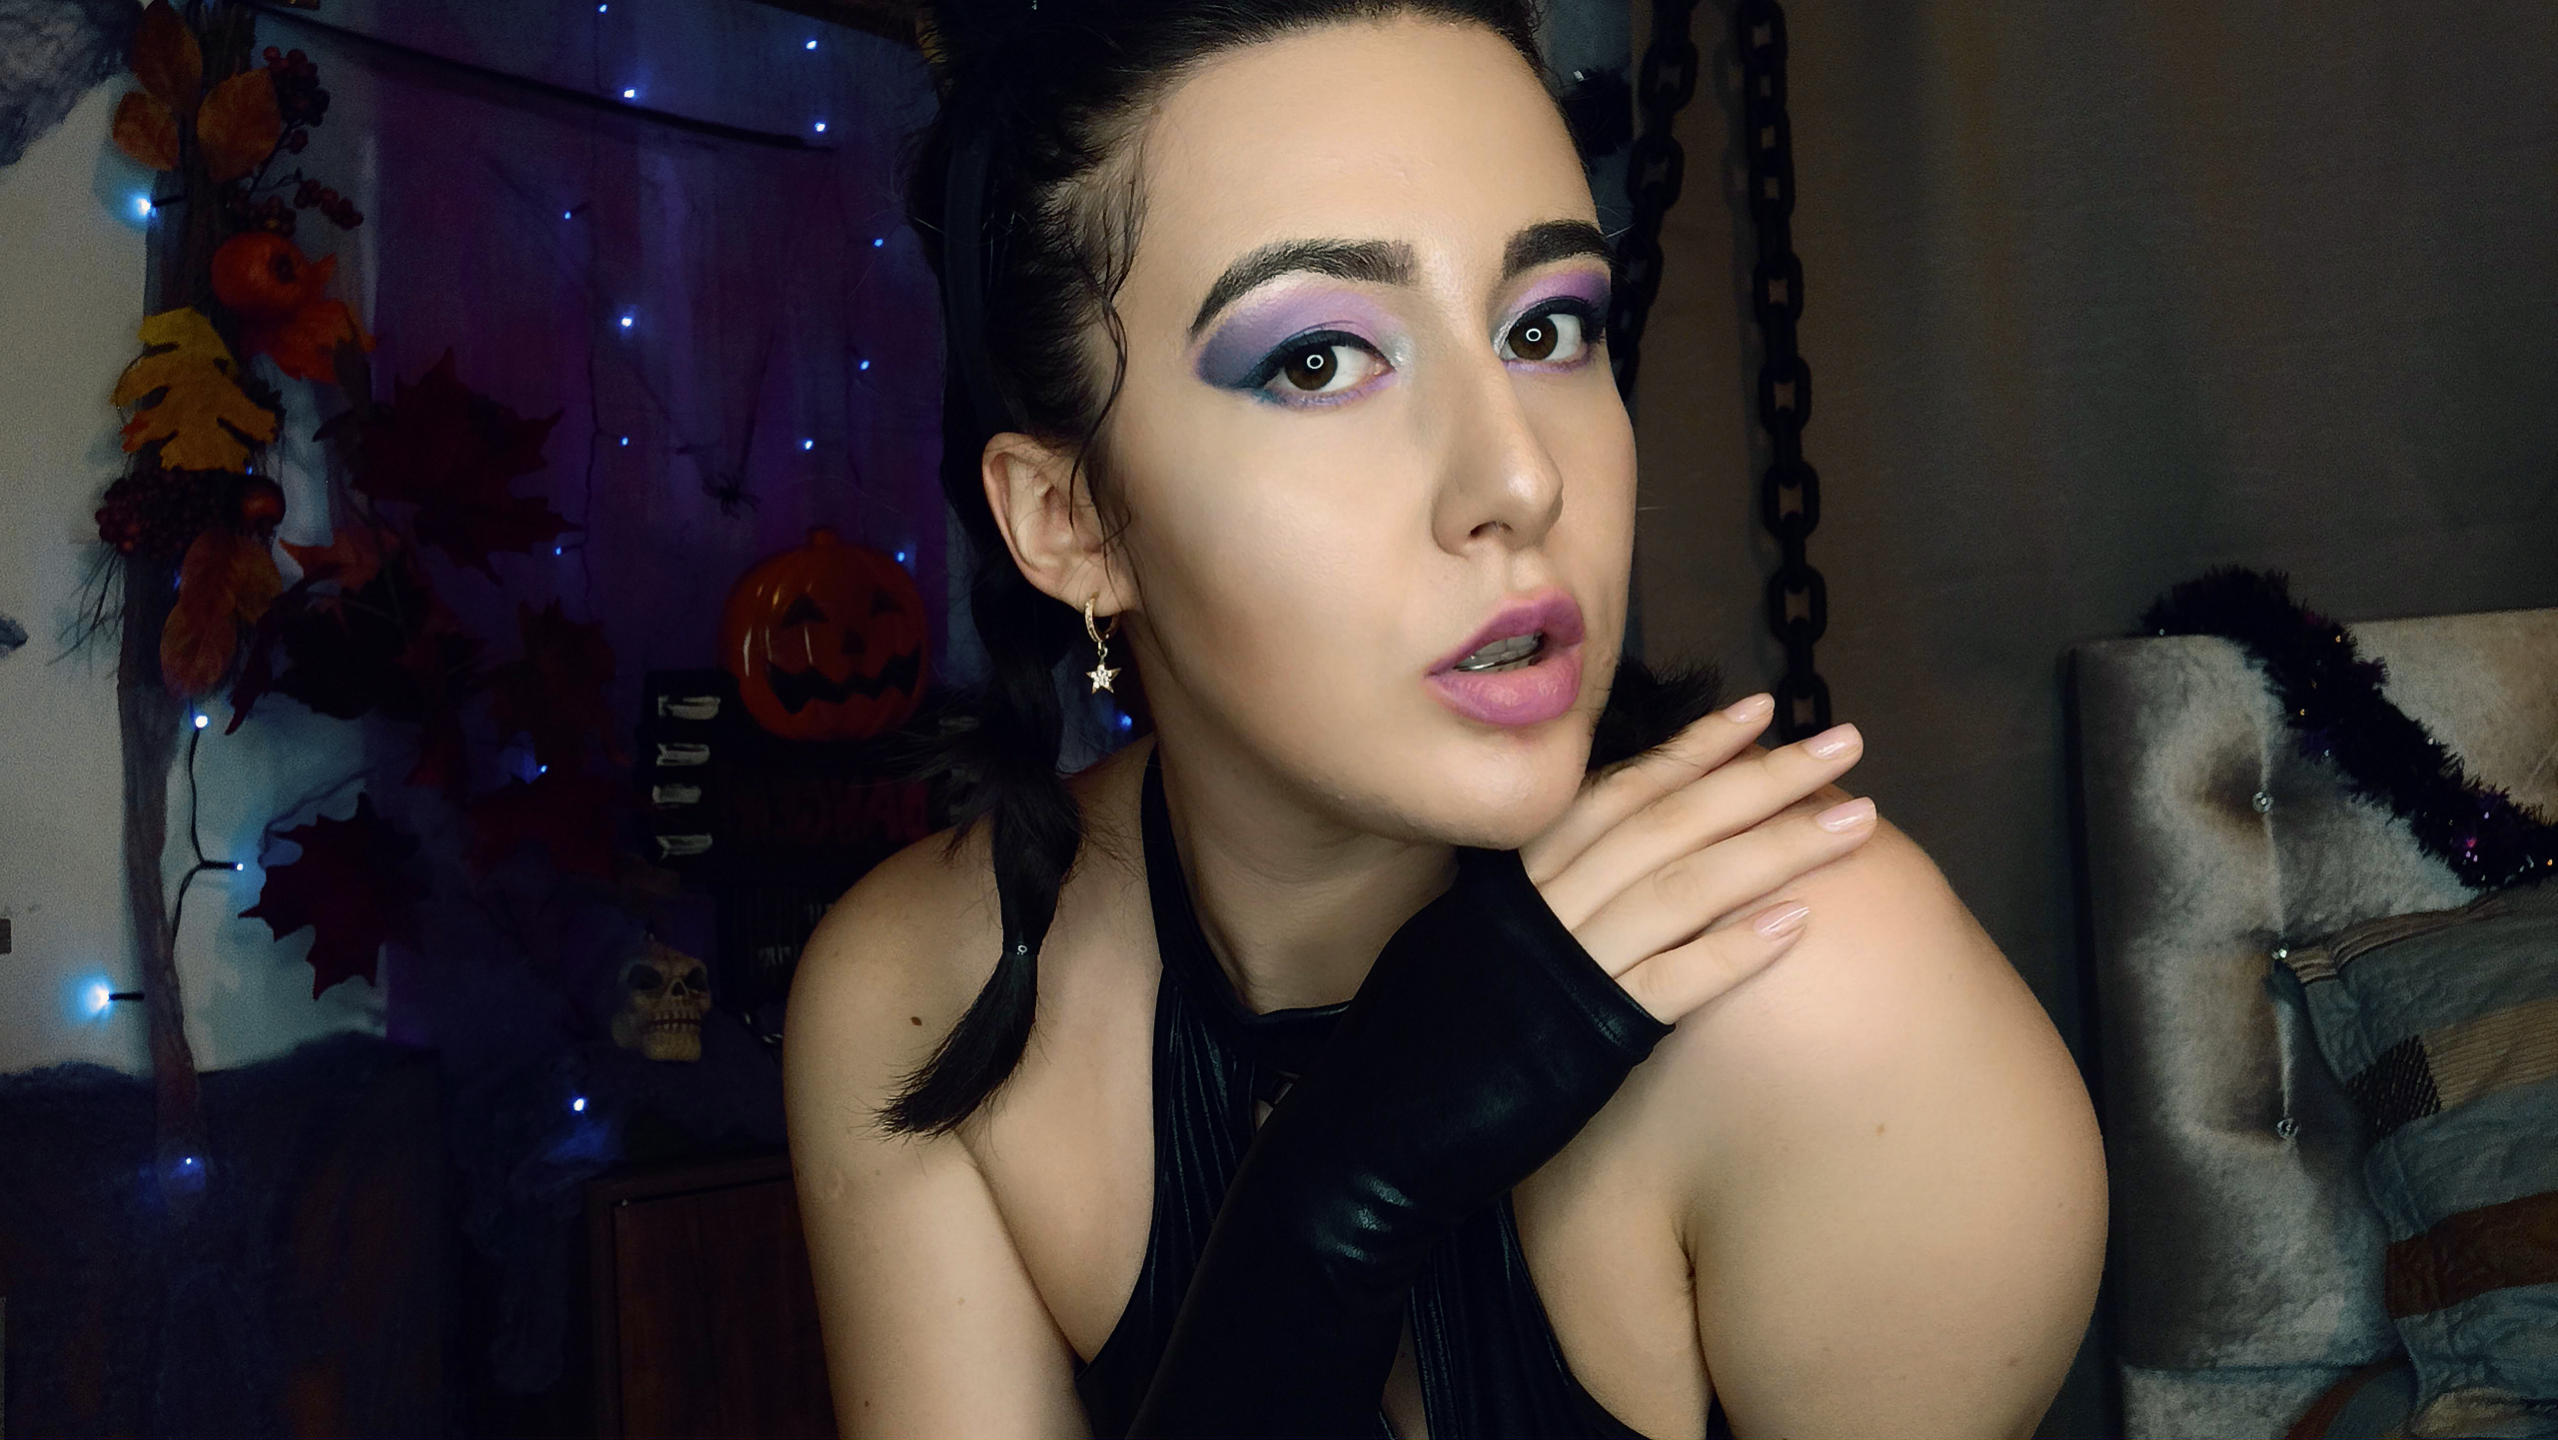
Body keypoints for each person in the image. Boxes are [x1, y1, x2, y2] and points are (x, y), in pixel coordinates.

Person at [782, 1, 2109, 1435]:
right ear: (1070, 520)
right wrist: (1335, 1193)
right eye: (1317, 360)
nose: (1519, 479)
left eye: (1546, 327)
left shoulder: (1830, 1006)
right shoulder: (925, 993)